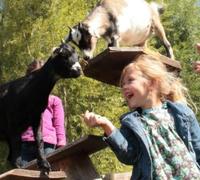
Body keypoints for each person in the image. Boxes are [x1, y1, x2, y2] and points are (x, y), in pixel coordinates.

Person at [83, 54, 200, 179]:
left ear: (152, 82)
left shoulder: (181, 113)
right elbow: (129, 155)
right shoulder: (132, 123)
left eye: (130, 80)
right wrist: (107, 125)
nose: (124, 87)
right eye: (122, 85)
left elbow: (198, 149)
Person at [21, 60, 67, 166]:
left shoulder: (54, 100)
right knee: (24, 174)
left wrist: (61, 144)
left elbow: (59, 124)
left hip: (47, 144)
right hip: (26, 145)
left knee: (47, 174)